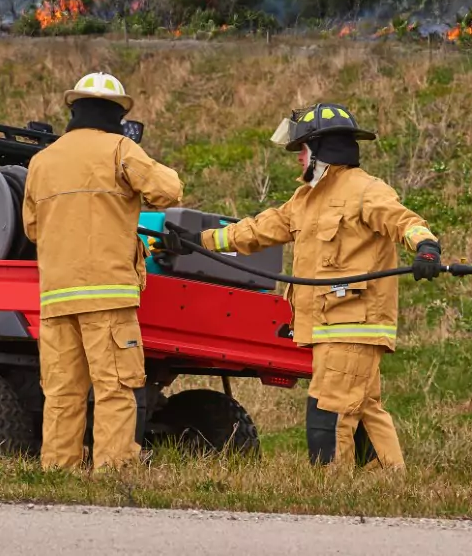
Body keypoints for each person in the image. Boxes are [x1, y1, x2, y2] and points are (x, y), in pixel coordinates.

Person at [161, 103, 442, 471]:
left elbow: (403, 221)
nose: (299, 160)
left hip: (354, 324)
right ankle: (386, 483)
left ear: (321, 150)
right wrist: (200, 240)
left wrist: (426, 247)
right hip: (328, 326)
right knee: (364, 408)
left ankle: (330, 490)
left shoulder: (366, 190)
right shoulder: (304, 200)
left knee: (330, 409)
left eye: (303, 151)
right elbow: (258, 229)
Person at [22, 71, 183, 471]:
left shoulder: (42, 161)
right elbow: (168, 191)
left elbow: (32, 228)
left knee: (62, 392)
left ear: (74, 108)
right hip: (107, 294)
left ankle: (58, 470)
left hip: (57, 299)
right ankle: (112, 472)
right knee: (115, 387)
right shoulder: (121, 149)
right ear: (117, 113)